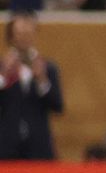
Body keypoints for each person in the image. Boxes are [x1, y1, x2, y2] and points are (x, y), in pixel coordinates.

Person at [0, 12, 63, 160]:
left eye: (28, 33)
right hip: (6, 146)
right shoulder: (2, 67)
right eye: (20, 33)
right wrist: (3, 77)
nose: (24, 38)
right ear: (11, 36)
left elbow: (58, 106)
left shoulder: (48, 68)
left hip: (39, 147)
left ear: (35, 35)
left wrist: (42, 81)